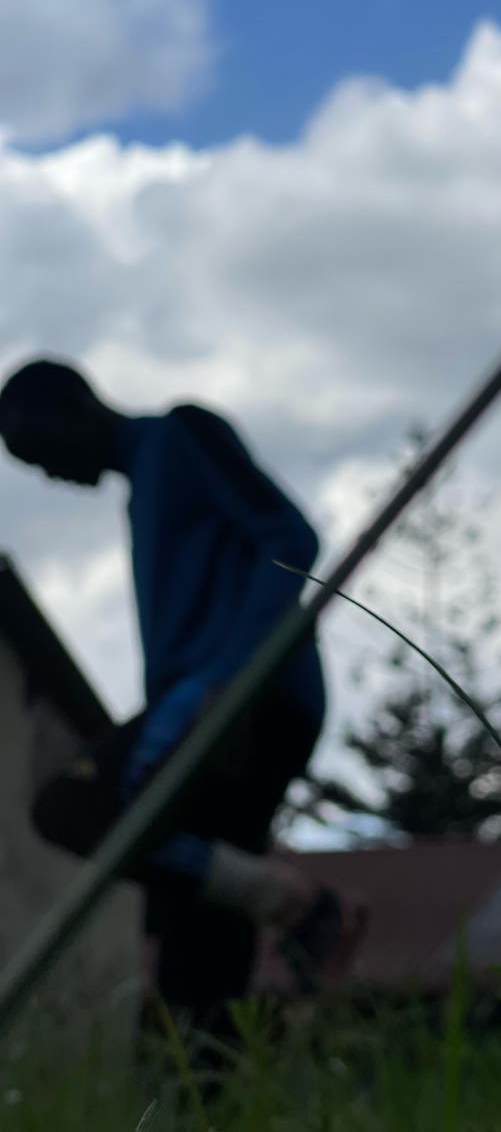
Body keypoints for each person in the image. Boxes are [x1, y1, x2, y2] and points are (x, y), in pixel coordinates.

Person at [0, 356, 363, 1078]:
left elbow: (290, 538)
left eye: (42, 453)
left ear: (74, 410)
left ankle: (295, 902)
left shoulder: (181, 435)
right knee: (200, 940)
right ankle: (208, 1092)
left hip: (249, 701)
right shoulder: (144, 487)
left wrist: (228, 681)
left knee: (76, 804)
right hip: (208, 704)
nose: (50, 476)